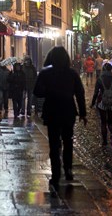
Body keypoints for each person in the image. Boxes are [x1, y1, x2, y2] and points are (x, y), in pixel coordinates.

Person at [33, 46, 87, 191]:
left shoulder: (46, 73)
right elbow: (80, 94)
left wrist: (49, 91)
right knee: (68, 141)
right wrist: (83, 113)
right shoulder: (72, 74)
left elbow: (37, 92)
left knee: (54, 143)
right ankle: (68, 169)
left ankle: (56, 173)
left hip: (52, 111)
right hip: (68, 111)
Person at [90, 62, 112, 146]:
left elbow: (96, 92)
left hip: (102, 103)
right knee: (110, 122)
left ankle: (104, 141)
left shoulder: (100, 79)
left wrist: (92, 103)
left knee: (103, 122)